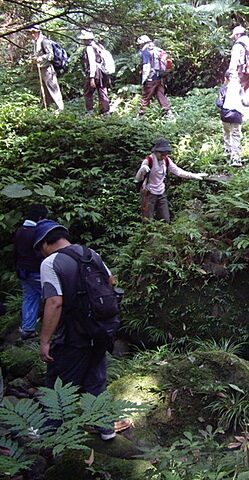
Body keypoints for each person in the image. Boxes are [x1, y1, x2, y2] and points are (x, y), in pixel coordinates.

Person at [34, 219, 117, 440]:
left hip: (73, 335)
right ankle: (106, 428)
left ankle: (49, 435)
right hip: (100, 330)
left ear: (44, 244)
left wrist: (44, 341)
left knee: (58, 386)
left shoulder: (51, 263)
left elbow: (55, 302)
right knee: (96, 381)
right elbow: (110, 281)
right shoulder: (91, 253)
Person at [135, 137, 207, 223]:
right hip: (149, 193)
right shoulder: (148, 161)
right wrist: (142, 170)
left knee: (166, 220)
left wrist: (194, 175)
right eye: (161, 154)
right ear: (156, 152)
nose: (163, 156)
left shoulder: (166, 160)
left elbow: (178, 171)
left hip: (161, 192)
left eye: (165, 154)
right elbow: (137, 179)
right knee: (147, 220)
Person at [14, 204, 49, 340]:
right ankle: (57, 329)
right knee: (51, 297)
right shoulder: (36, 232)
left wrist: (15, 268)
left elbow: (15, 252)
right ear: (40, 217)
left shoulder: (20, 231)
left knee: (29, 298)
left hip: (23, 271)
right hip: (36, 271)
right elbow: (39, 252)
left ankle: (27, 329)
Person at [135, 35, 173, 119]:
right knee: (160, 94)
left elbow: (146, 65)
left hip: (151, 77)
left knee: (146, 96)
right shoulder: (157, 49)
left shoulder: (146, 50)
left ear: (142, 43)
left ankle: (141, 116)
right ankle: (168, 113)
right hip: (159, 77)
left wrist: (144, 79)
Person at [28, 25, 64, 110]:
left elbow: (50, 55)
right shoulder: (36, 42)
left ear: (39, 32)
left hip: (48, 69)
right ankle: (46, 107)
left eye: (34, 32)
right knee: (45, 89)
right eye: (31, 33)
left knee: (53, 88)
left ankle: (60, 108)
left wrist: (40, 58)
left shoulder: (44, 41)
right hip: (41, 68)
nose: (32, 35)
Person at [78, 30, 110, 117]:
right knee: (102, 91)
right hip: (102, 72)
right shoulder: (99, 46)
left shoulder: (89, 48)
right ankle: (106, 112)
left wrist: (92, 78)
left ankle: (90, 112)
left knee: (88, 93)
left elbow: (92, 63)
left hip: (94, 72)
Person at [216, 70, 244, 167]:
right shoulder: (239, 89)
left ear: (225, 79)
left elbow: (219, 103)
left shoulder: (223, 89)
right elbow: (245, 102)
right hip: (236, 115)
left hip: (225, 115)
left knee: (227, 132)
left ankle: (227, 150)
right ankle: (236, 159)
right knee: (236, 136)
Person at [227, 26, 249, 105]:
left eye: (234, 36)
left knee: (238, 87)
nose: (234, 39)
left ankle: (239, 107)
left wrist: (230, 72)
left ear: (238, 35)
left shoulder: (238, 45)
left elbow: (234, 60)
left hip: (242, 70)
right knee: (248, 87)